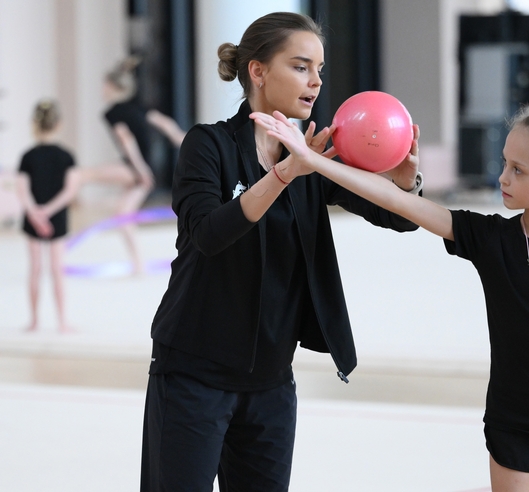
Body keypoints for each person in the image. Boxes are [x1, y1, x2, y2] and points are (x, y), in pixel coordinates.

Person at [256, 90, 529, 491]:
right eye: (504, 163)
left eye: (518, 170)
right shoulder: (489, 236)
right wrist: (316, 163)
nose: (503, 177)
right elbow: (400, 203)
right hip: (513, 419)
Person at [140, 12, 421, 492]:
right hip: (192, 376)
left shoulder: (313, 157)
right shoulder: (207, 145)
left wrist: (404, 181)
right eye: (300, 66)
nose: (315, 82)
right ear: (257, 71)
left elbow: (398, 216)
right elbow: (208, 232)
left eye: (320, 70)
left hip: (270, 383)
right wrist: (285, 173)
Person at [81, 56, 186, 273]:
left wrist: (141, 170)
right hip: (143, 168)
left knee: (83, 175)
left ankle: (65, 207)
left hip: (137, 169)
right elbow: (166, 124)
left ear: (111, 87)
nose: (101, 89)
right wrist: (185, 139)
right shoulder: (138, 106)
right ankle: (138, 264)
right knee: (123, 214)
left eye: (103, 85)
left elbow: (127, 140)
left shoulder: (112, 112)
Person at [15, 100, 80, 333]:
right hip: (56, 217)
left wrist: (35, 212)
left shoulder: (27, 156)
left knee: (35, 269)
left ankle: (34, 321)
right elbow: (70, 191)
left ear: (34, 123)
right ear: (59, 124)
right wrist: (49, 212)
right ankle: (62, 321)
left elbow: (22, 190)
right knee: (56, 269)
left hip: (33, 218)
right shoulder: (66, 156)